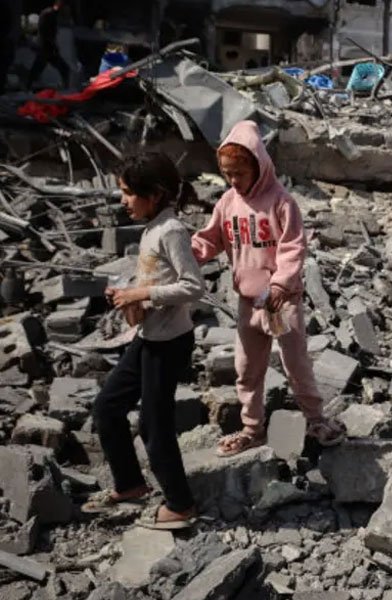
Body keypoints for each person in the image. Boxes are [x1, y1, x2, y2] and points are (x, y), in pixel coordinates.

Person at [192, 120, 346, 456]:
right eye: (227, 173)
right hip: (249, 302)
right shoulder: (227, 203)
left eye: (240, 173)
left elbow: (293, 247)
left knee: (295, 362)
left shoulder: (280, 201)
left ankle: (315, 419)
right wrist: (187, 253)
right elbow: (210, 239)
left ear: (258, 166)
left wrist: (280, 284)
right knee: (247, 368)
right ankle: (252, 428)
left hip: (278, 302)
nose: (234, 180)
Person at [83, 153, 206, 530]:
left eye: (127, 193)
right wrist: (127, 292)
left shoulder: (171, 230)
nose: (122, 200)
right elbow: (154, 279)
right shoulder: (151, 228)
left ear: (153, 194)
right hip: (149, 337)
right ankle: (130, 484)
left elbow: (193, 286)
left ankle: (180, 504)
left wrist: (141, 296)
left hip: (168, 343)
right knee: (107, 406)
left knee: (154, 423)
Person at [26, 0, 69, 90]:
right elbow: (45, 32)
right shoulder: (49, 14)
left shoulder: (51, 14)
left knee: (37, 69)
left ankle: (27, 87)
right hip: (46, 47)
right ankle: (27, 87)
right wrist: (51, 44)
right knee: (38, 68)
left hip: (47, 47)